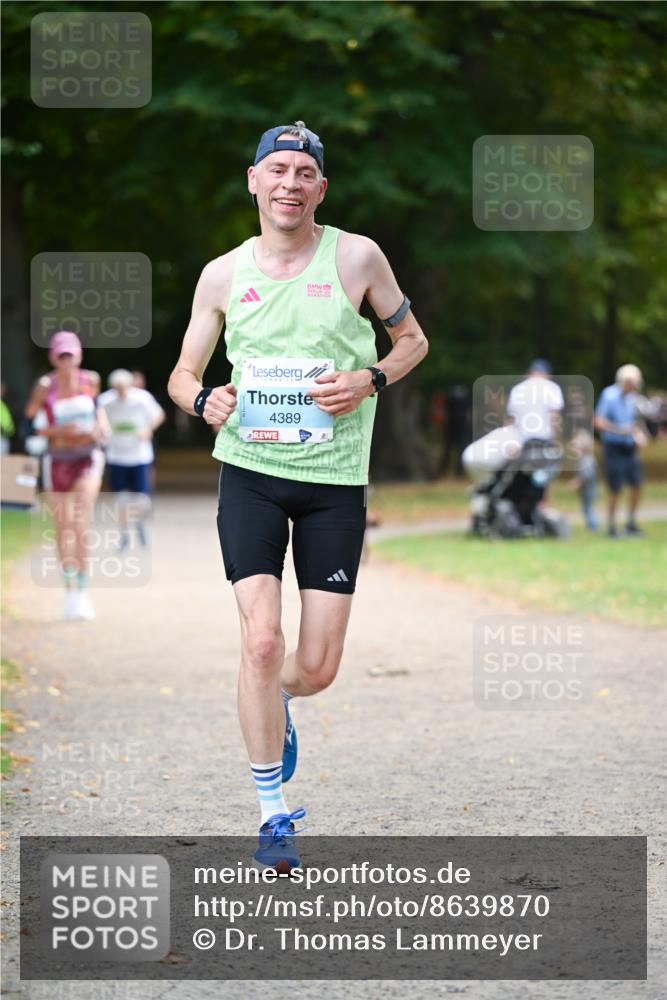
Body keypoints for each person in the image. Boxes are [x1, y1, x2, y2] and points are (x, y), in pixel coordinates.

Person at [168, 120, 428, 866]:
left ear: (320, 187)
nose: (288, 183)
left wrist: (368, 377)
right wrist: (200, 403)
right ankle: (271, 812)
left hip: (334, 482)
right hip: (248, 472)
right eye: (275, 169)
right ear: (253, 180)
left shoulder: (356, 257)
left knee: (312, 667)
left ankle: (274, 696)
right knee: (259, 640)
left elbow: (412, 341)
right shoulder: (222, 273)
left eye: (303, 172)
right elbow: (184, 373)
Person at [25, 331, 108, 620]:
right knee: (63, 526)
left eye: (71, 355)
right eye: (61, 355)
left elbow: (99, 411)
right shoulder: (45, 386)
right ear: (53, 357)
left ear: (79, 355)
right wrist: (59, 431)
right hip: (56, 460)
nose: (67, 360)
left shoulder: (91, 380)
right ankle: (70, 590)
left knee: (79, 521)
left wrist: (101, 427)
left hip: (87, 457)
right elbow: (30, 424)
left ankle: (83, 591)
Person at [97, 368, 166, 549]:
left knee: (142, 499)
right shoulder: (106, 400)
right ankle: (124, 534)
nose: (121, 392)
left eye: (124, 388)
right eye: (117, 388)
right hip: (117, 455)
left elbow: (159, 415)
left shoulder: (142, 398)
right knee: (121, 499)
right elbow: (100, 418)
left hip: (139, 455)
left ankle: (140, 524)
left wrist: (148, 428)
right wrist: (103, 429)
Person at [594, 364, 648, 538]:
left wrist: (640, 435)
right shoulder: (609, 396)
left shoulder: (634, 399)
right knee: (615, 488)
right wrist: (620, 430)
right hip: (613, 448)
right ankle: (611, 526)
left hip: (630, 449)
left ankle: (631, 523)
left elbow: (636, 423)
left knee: (637, 485)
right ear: (626, 381)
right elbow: (599, 422)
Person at [569, 429, 598, 531]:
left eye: (575, 446)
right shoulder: (584, 459)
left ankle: (593, 526)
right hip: (587, 490)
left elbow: (586, 475)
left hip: (589, 490)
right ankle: (592, 526)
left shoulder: (587, 460)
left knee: (588, 508)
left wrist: (576, 483)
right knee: (587, 508)